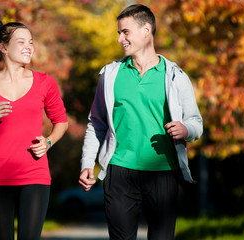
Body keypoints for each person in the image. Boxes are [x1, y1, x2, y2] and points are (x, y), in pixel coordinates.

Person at [79, 4, 203, 240]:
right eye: (119, 33)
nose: (120, 39)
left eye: (125, 32)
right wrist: (87, 162)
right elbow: (96, 123)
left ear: (146, 30)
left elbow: (196, 122)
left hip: (163, 171)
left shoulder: (175, 75)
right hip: (119, 171)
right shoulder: (110, 75)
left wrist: (186, 129)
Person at [0, 19, 68, 240]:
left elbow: (61, 121)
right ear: (4, 48)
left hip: (35, 175)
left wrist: (49, 141)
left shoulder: (45, 82)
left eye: (31, 42)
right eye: (21, 42)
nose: (28, 47)